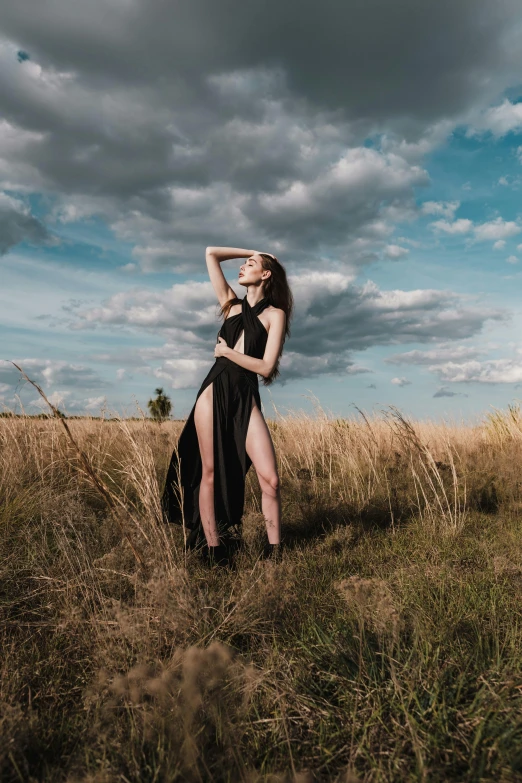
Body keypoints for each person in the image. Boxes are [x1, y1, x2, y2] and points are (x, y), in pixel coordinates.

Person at [162, 246, 293, 567]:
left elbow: (264, 367)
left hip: (245, 396)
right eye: (244, 263)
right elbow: (210, 254)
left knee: (271, 480)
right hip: (214, 390)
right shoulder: (230, 305)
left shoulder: (275, 315)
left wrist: (227, 353)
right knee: (208, 472)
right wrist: (252, 250)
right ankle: (215, 549)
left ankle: (275, 554)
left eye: (251, 264)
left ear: (266, 275)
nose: (242, 267)